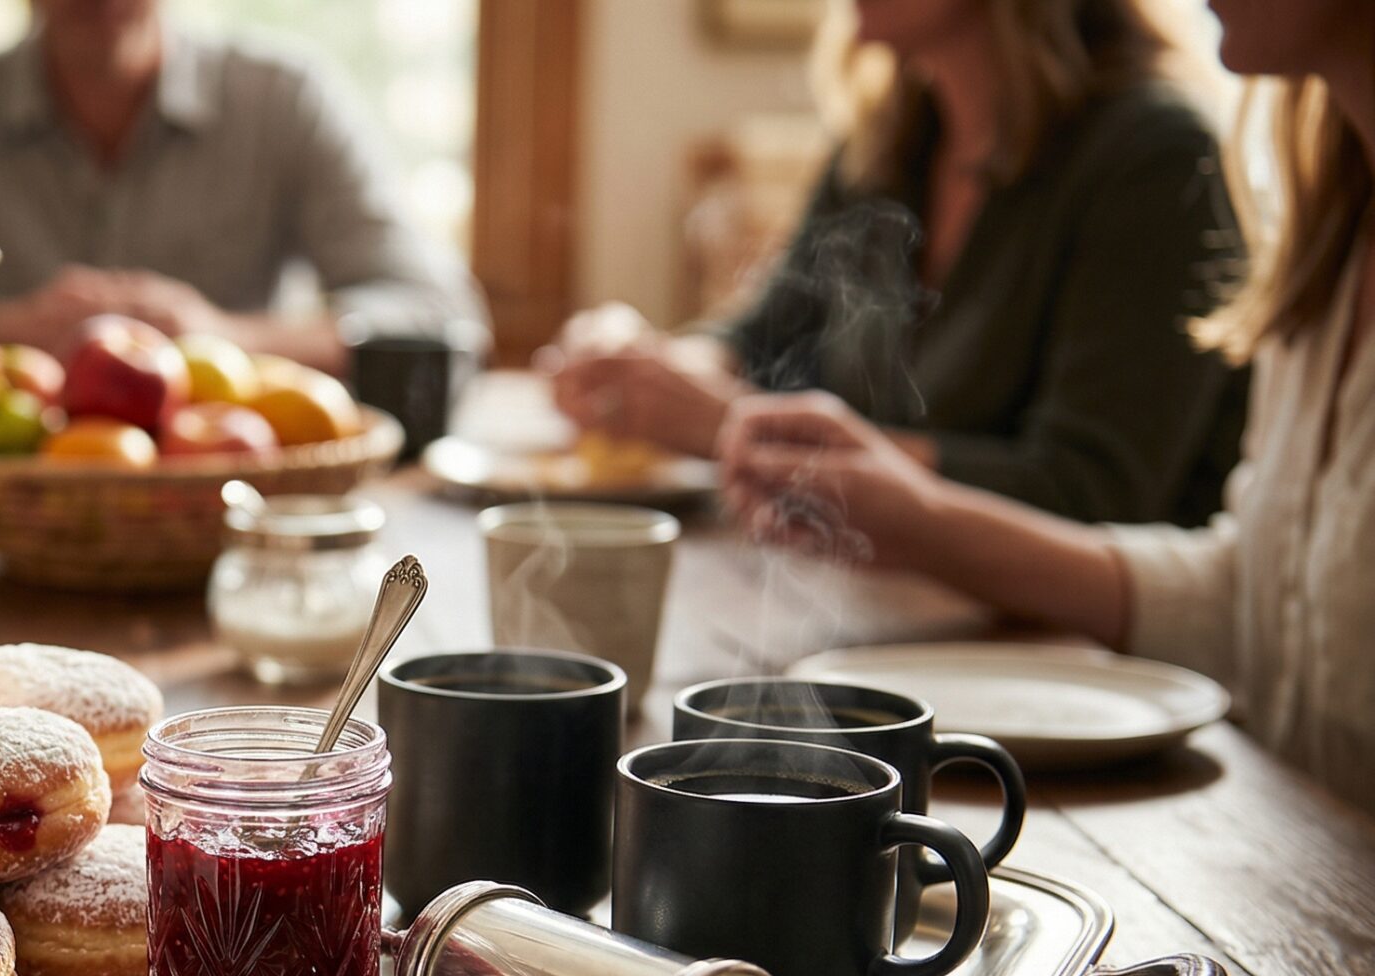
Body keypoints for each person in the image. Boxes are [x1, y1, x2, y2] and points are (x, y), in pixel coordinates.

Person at [719, 1, 1375, 812]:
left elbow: (1097, 487)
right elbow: (1252, 598)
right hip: (1286, 847)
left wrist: (913, 508)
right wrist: (915, 512)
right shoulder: (1332, 232)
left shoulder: (1154, 153)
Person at [549, 0, 1245, 526]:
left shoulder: (1156, 158)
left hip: (1080, 671)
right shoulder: (892, 143)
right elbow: (759, 340)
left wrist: (737, 428)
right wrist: (644, 369)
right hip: (899, 610)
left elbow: (1090, 492)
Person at [0, 0, 485, 371]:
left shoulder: (282, 99)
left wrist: (224, 337)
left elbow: (440, 317)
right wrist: (17, 332)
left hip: (230, 501)